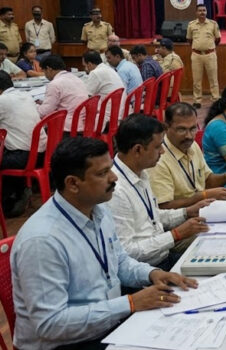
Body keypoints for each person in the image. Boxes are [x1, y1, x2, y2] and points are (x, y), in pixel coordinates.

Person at [11, 137, 197, 350]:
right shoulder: (42, 241)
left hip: (103, 325)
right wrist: (130, 303)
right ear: (72, 183)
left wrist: (151, 274)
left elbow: (118, 260)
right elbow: (50, 325)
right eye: (102, 173)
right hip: (65, 344)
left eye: (110, 168)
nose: (114, 177)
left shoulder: (99, 210)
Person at [108, 114, 212, 270]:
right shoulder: (116, 191)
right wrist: (176, 234)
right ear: (138, 150)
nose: (162, 151)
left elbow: (153, 217)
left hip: (163, 258)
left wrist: (187, 212)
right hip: (147, 269)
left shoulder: (140, 173)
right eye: (157, 147)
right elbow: (126, 252)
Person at [150, 103, 226, 209]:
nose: (188, 136)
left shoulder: (191, 145)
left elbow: (207, 180)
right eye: (181, 130)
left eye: (193, 129)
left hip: (201, 208)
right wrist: (203, 196)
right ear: (166, 127)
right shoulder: (158, 159)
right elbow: (163, 207)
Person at [0, 71, 44, 217]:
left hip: (22, 157)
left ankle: (12, 199)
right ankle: (19, 192)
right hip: (41, 153)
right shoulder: (25, 96)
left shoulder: (3, 101)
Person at [37, 55, 89, 133]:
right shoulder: (76, 79)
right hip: (84, 123)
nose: (45, 75)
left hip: (67, 128)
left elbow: (45, 111)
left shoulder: (54, 84)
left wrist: (33, 107)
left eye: (44, 72)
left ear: (48, 69)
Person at [187, 3, 221, 108]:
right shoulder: (191, 25)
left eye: (204, 10)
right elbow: (189, 39)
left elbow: (218, 39)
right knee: (196, 80)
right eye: (200, 10)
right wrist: (198, 48)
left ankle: (215, 99)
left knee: (213, 79)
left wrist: (209, 48)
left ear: (206, 12)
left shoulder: (213, 24)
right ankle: (197, 100)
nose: (202, 12)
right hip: (196, 55)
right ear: (196, 12)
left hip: (210, 55)